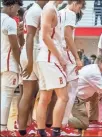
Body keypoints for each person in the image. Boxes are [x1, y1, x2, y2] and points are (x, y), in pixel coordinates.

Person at [36, 1, 69, 136]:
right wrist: (60, 57)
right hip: (50, 58)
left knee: (45, 98)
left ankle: (41, 131)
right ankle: (56, 131)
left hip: (45, 58)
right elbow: (45, 36)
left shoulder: (51, 9)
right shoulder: (50, 9)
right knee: (63, 97)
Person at [67, 55, 102, 129]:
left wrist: (100, 92)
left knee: (98, 93)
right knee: (84, 124)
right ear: (100, 62)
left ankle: (93, 120)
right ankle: (62, 121)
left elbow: (96, 85)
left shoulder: (94, 68)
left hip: (79, 94)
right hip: (76, 99)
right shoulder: (94, 73)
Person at [17, 1, 48, 136]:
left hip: (29, 53)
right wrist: (30, 61)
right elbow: (30, 36)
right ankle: (42, 126)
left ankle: (23, 128)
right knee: (44, 92)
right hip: (33, 54)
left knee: (28, 94)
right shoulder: (36, 11)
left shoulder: (33, 10)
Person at [59, 0, 85, 130]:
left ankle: (50, 124)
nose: (79, 10)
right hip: (65, 53)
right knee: (72, 89)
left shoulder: (59, 12)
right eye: (80, 7)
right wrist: (77, 58)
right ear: (76, 3)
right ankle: (63, 124)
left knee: (55, 93)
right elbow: (68, 36)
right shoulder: (70, 13)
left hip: (55, 53)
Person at [1, 0, 23, 136]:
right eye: (16, 9)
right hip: (8, 63)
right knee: (6, 96)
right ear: (11, 6)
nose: (17, 12)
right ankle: (3, 129)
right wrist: (21, 63)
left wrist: (18, 34)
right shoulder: (9, 21)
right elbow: (15, 47)